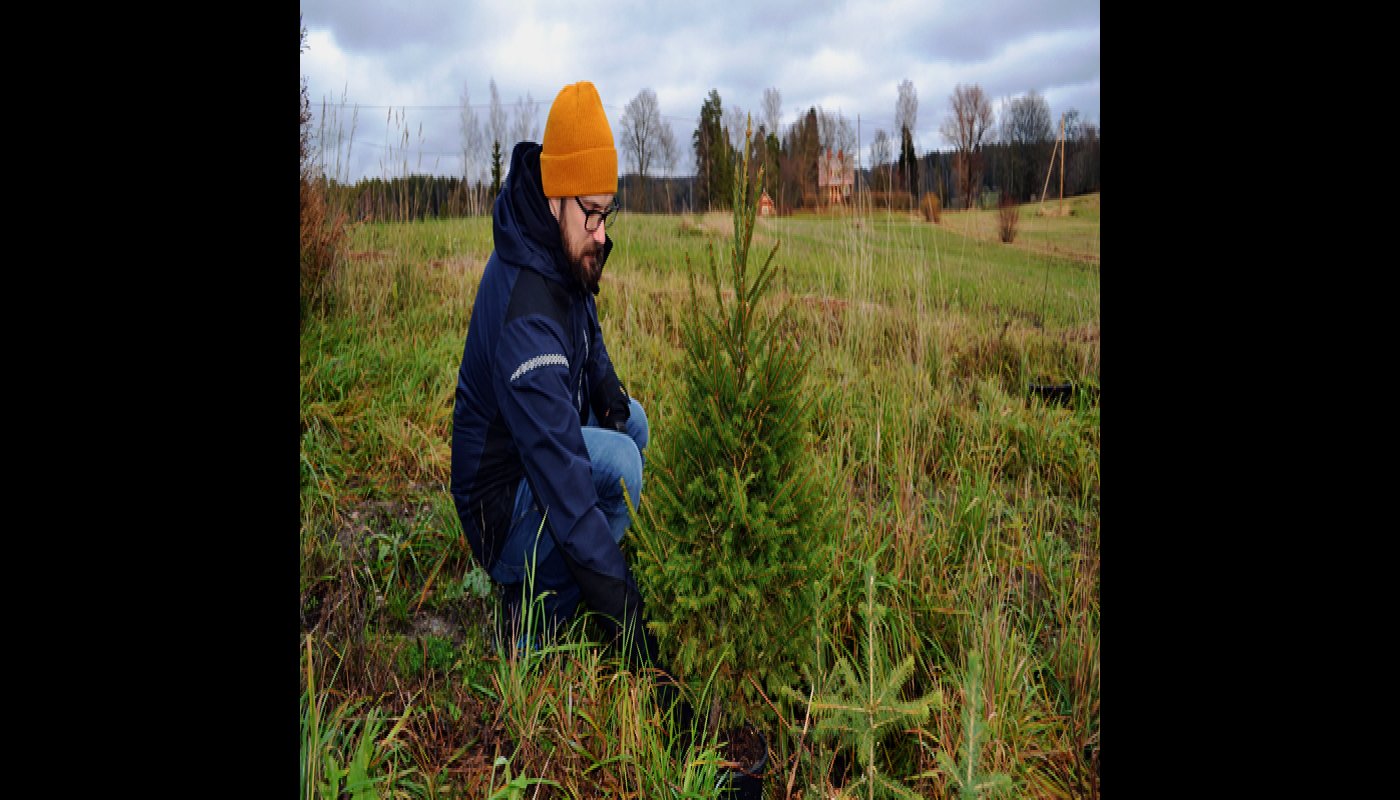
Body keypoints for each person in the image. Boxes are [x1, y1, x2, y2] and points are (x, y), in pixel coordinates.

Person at [449, 80, 656, 664]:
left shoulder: (556, 245)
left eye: (608, 214)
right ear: (555, 198)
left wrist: (606, 387)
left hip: (536, 437)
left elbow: (583, 317)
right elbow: (564, 488)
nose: (603, 234)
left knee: (631, 422)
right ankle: (535, 617)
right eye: (592, 215)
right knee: (621, 470)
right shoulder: (525, 317)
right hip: (498, 501)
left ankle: (583, 571)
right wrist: (630, 623)